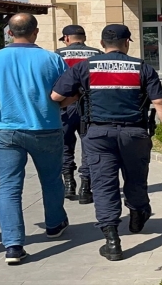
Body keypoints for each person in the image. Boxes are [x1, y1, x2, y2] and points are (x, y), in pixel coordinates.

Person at [51, 24, 162, 262]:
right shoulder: (142, 67)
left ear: (101, 44)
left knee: (103, 184)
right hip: (135, 134)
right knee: (136, 177)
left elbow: (56, 97)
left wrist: (80, 94)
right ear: (127, 42)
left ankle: (111, 240)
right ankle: (138, 212)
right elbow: (160, 103)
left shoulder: (84, 67)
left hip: (98, 135)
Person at [0, 13, 69, 265]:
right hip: (46, 126)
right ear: (36, 32)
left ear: (10, 32)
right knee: (51, 179)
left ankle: (13, 245)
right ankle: (54, 224)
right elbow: (65, 92)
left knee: (9, 185)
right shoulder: (52, 59)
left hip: (6, 129)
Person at [54, 25, 103, 204]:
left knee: (65, 145)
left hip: (65, 106)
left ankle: (68, 183)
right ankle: (86, 187)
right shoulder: (97, 54)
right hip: (90, 106)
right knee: (89, 146)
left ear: (66, 38)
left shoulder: (57, 54)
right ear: (84, 37)